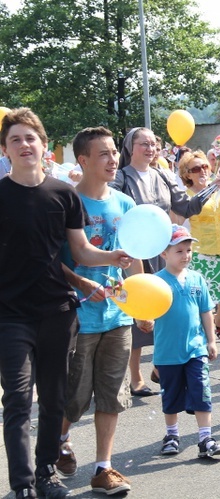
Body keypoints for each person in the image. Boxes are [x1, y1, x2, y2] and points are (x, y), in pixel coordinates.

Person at [0, 108, 132, 499]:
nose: (24, 145)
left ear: (44, 146)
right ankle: (23, 484)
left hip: (57, 312)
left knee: (55, 397)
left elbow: (81, 250)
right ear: (5, 150)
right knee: (19, 400)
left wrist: (112, 258)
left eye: (31, 138)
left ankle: (45, 475)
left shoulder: (62, 195)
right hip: (10, 316)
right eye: (15, 139)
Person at [54, 127, 140, 495]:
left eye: (113, 152)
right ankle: (59, 441)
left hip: (117, 316)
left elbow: (135, 256)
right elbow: (52, 261)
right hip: (77, 317)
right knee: (74, 396)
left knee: (111, 394)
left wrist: (140, 303)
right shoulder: (63, 203)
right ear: (83, 161)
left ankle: (104, 468)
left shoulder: (125, 204)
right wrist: (82, 283)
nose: (112, 159)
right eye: (103, 154)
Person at [110, 127, 220, 397]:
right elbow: (109, 201)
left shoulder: (162, 174)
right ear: (130, 148)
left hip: (163, 253)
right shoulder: (121, 177)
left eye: (153, 144)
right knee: (138, 313)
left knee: (169, 311)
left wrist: (213, 188)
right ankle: (135, 377)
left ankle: (161, 368)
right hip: (133, 253)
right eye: (143, 144)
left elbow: (186, 207)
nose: (149, 149)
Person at [154, 225, 220, 459]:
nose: (186, 255)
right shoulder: (156, 282)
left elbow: (206, 311)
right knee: (171, 395)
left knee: (201, 390)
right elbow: (146, 312)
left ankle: (206, 438)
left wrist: (211, 340)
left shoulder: (197, 279)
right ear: (164, 253)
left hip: (196, 349)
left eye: (188, 250)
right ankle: (171, 434)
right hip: (167, 351)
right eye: (179, 251)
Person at [179, 150, 220, 341]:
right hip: (201, 251)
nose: (202, 171)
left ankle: (217, 321)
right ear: (187, 174)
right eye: (196, 169)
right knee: (202, 296)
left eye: (205, 166)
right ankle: (203, 329)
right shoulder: (187, 196)